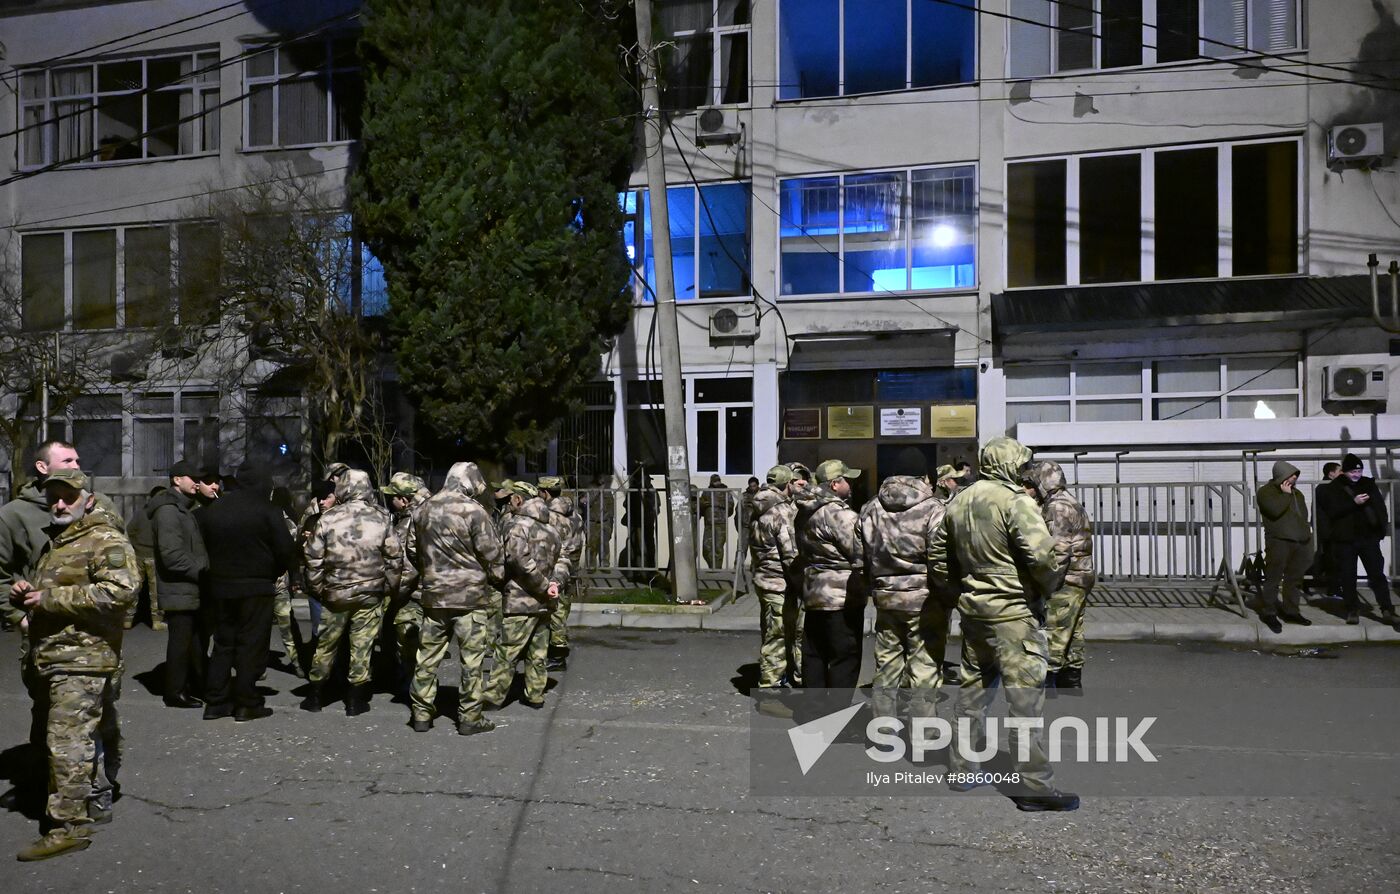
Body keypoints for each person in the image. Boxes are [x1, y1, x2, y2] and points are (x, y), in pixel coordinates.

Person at [929, 436, 1077, 812]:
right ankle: (1034, 787)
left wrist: (958, 592)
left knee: (972, 694)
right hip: (1013, 613)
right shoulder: (1016, 501)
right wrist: (1046, 589)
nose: (1026, 469)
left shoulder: (959, 499)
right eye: (1022, 463)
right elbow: (1041, 555)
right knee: (1024, 703)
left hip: (975, 611)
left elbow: (939, 556)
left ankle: (962, 769)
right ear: (1010, 464)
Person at [9, 468, 138, 861]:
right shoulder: (61, 541)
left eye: (68, 497)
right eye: (54, 498)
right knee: (91, 735)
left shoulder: (103, 539)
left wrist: (47, 599)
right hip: (58, 655)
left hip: (82, 659)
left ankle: (69, 827)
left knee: (66, 744)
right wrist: (27, 596)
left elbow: (121, 590)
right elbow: (63, 591)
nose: (60, 504)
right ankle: (96, 801)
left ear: (89, 500)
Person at [409, 462, 506, 735]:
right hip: (469, 598)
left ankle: (421, 714)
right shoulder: (474, 512)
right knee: (472, 661)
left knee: (427, 658)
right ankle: (469, 718)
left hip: (434, 597)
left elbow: (410, 549)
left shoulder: (423, 509)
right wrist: (495, 577)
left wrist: (431, 571)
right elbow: (492, 554)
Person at [197, 462, 298, 722]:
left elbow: (203, 547)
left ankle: (216, 701)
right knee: (251, 644)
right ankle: (246, 701)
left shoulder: (214, 509)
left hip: (220, 585)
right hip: (256, 586)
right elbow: (286, 549)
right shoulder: (268, 510)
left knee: (223, 643)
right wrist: (279, 570)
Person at [301, 469, 402, 716]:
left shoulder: (328, 518)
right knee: (362, 645)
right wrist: (386, 586)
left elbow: (313, 558)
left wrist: (318, 588)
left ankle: (315, 695)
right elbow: (395, 557)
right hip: (369, 592)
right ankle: (355, 699)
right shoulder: (381, 519)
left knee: (326, 644)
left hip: (335, 593)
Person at [860, 455, 949, 721]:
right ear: (924, 477)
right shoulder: (934, 509)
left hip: (885, 597)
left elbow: (861, 553)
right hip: (924, 600)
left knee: (886, 664)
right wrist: (947, 592)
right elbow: (940, 558)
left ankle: (883, 728)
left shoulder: (870, 508)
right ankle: (923, 733)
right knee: (924, 667)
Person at [482, 481, 561, 710]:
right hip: (545, 602)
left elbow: (517, 560)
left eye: (511, 499)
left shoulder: (518, 526)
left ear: (519, 499)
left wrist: (541, 585)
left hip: (521, 601)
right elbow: (560, 561)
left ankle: (493, 697)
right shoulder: (551, 529)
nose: (508, 504)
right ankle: (535, 694)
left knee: (507, 651)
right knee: (538, 652)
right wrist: (551, 586)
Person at [1021, 459, 1097, 689]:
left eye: (1031, 483)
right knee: (1073, 631)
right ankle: (1071, 678)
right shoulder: (1067, 501)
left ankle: (1049, 680)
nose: (1029, 488)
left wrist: (1045, 582)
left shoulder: (1057, 507)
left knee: (1055, 630)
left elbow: (1058, 551)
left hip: (1067, 579)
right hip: (1080, 576)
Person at [795, 460, 865, 690]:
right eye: (846, 479)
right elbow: (860, 551)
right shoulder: (839, 514)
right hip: (840, 597)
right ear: (835, 484)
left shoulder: (804, 511)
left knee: (814, 656)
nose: (851, 483)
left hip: (814, 592)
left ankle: (814, 714)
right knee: (844, 659)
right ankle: (836, 716)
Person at [146, 460, 210, 708]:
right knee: (181, 643)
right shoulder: (169, 511)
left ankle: (190, 686)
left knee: (191, 642)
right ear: (176, 480)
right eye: (192, 478)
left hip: (185, 588)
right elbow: (172, 555)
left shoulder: (180, 508)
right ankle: (175, 691)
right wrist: (201, 570)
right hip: (179, 588)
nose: (198, 483)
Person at [1317, 454, 1395, 627]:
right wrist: (1353, 503)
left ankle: (1387, 609)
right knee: (1348, 576)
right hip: (1345, 540)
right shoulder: (1334, 488)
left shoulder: (1368, 484)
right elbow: (1332, 511)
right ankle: (1352, 609)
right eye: (1353, 471)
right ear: (1344, 472)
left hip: (1368, 538)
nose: (1356, 474)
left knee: (1377, 575)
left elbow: (1380, 508)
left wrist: (1380, 531)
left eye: (1359, 470)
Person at [749, 465, 800, 690]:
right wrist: (801, 581)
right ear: (787, 484)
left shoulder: (759, 507)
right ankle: (771, 685)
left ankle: (777, 676)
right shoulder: (781, 511)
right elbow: (790, 552)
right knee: (777, 636)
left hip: (763, 578)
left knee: (771, 630)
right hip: (779, 582)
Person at [381, 472, 431, 697]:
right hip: (425, 590)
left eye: (393, 496)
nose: (391, 501)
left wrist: (395, 593)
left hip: (413, 592)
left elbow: (408, 565)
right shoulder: (423, 514)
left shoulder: (413, 520)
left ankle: (413, 687)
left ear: (404, 499)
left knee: (409, 640)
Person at [1253, 460, 1314, 633]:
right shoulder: (1266, 492)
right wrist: (1285, 495)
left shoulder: (1298, 494)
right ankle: (1269, 612)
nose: (1294, 478)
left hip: (1300, 542)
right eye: (1291, 474)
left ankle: (1291, 611)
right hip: (1278, 541)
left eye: (1295, 475)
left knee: (1294, 579)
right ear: (1281, 475)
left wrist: (1307, 538)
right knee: (1273, 578)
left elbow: (1303, 516)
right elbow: (1274, 511)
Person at [539, 476, 583, 672]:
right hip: (571, 564)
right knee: (563, 605)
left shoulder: (550, 515)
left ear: (545, 492)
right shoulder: (574, 514)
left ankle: (557, 653)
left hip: (556, 565)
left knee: (555, 607)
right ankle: (558, 646)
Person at [297, 479, 337, 638]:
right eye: (319, 498)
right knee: (319, 632)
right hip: (316, 586)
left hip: (338, 583)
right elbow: (299, 551)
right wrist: (305, 543)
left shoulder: (342, 520)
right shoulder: (312, 520)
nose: (321, 502)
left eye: (326, 497)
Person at [124, 486, 165, 631]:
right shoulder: (163, 514)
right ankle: (157, 620)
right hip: (155, 557)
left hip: (139, 555)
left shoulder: (140, 513)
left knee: (134, 589)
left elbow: (130, 531)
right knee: (156, 592)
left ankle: (128, 619)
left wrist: (135, 546)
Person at [1312, 462, 1343, 600]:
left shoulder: (1326, 486)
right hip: (1329, 530)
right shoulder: (1327, 487)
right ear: (1331, 473)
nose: (1342, 473)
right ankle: (1333, 588)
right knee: (1332, 559)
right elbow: (1332, 509)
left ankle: (1313, 582)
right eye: (1339, 471)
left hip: (1328, 529)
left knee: (1327, 558)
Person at [697, 474, 733, 569]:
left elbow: (730, 508)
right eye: (715, 481)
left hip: (720, 524)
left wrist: (717, 504)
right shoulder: (706, 492)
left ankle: (717, 568)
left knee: (718, 547)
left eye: (718, 480)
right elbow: (700, 506)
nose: (717, 482)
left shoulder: (726, 492)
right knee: (706, 548)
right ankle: (712, 566)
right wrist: (703, 505)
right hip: (709, 523)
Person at [583, 474, 617, 567]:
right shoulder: (590, 489)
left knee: (605, 544)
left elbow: (611, 508)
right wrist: (597, 492)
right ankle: (590, 564)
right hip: (592, 521)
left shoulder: (608, 492)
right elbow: (585, 502)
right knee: (591, 544)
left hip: (605, 521)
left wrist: (610, 523)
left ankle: (605, 564)